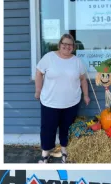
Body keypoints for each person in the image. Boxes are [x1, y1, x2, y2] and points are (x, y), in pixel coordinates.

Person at [35, 33, 90, 163]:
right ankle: (45, 154)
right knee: (48, 128)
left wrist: (86, 95)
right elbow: (38, 73)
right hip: (50, 102)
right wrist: (38, 90)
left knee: (66, 128)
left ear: (73, 47)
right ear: (59, 45)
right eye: (64, 44)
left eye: (70, 45)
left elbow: (83, 79)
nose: (67, 47)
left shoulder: (77, 61)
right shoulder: (49, 58)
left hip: (71, 102)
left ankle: (64, 151)